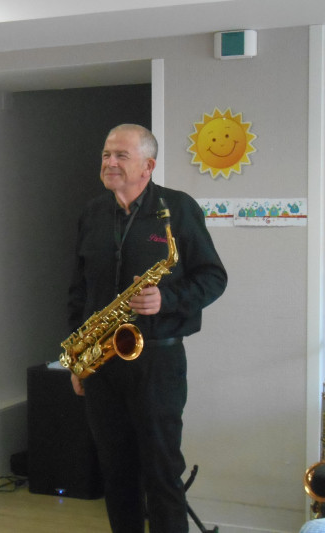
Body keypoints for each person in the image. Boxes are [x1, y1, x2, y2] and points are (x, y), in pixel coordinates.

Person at [67, 124, 227, 532]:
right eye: (106, 154)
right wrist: (77, 360)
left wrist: (166, 300)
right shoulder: (92, 214)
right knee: (116, 474)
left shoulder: (177, 209)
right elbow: (78, 290)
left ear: (148, 165)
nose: (110, 162)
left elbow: (213, 278)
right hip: (102, 363)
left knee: (161, 474)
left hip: (158, 361)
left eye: (121, 155)